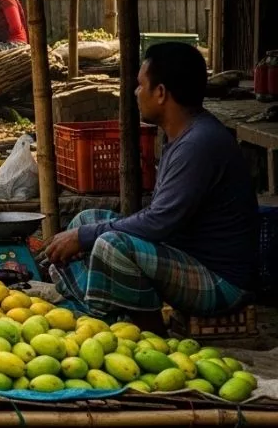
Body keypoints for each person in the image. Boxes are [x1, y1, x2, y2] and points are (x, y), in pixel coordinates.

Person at [43, 43, 257, 326]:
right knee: (85, 220)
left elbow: (158, 222)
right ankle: (99, 309)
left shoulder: (198, 144)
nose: (136, 92)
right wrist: (84, 232)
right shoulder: (181, 135)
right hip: (184, 257)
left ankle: (146, 331)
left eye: (141, 85)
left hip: (220, 282)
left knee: (111, 245)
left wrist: (85, 237)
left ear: (161, 93)